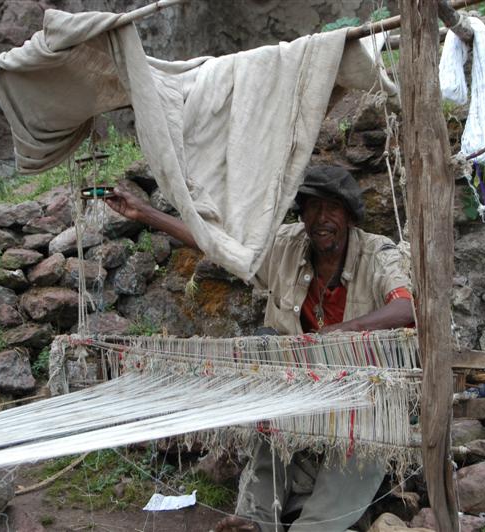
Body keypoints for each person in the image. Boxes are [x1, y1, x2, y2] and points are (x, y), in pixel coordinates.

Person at [105, 165, 414, 532]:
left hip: (359, 399)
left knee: (351, 461)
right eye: (312, 208)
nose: (322, 218)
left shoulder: (378, 254)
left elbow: (406, 308)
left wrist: (343, 331)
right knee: (268, 407)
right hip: (296, 391)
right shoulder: (286, 246)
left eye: (332, 208)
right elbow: (217, 246)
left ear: (348, 215)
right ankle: (255, 519)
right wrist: (145, 213)